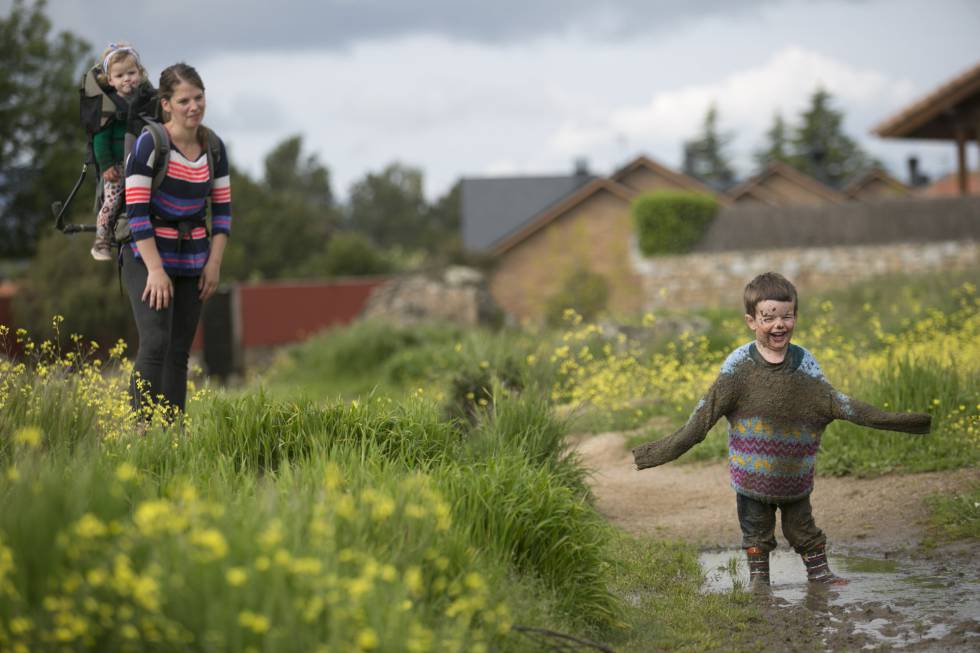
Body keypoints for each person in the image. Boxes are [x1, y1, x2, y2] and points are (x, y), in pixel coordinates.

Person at [632, 272, 931, 589]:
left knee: (802, 528)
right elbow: (700, 420)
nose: (779, 325)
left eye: (787, 316)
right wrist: (651, 455)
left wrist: (908, 421)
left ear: (795, 317)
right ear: (751, 321)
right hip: (750, 476)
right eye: (769, 317)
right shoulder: (738, 368)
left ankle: (820, 575)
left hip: (794, 476)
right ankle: (759, 581)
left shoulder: (804, 364)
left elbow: (841, 403)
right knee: (756, 531)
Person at [123, 62, 231, 420]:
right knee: (155, 342)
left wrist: (213, 264)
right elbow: (136, 212)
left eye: (198, 98)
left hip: (192, 257)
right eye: (184, 100)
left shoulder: (213, 147)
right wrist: (155, 269)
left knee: (179, 350)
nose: (193, 106)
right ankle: (139, 432)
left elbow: (223, 213)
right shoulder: (150, 144)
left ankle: (172, 436)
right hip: (146, 254)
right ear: (166, 104)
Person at [91, 42, 153, 260]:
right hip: (116, 165)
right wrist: (106, 164)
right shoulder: (110, 105)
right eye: (119, 76)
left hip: (142, 162)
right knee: (113, 200)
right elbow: (100, 138)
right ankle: (101, 239)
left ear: (140, 73)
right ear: (110, 80)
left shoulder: (146, 100)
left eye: (131, 73)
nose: (127, 79)